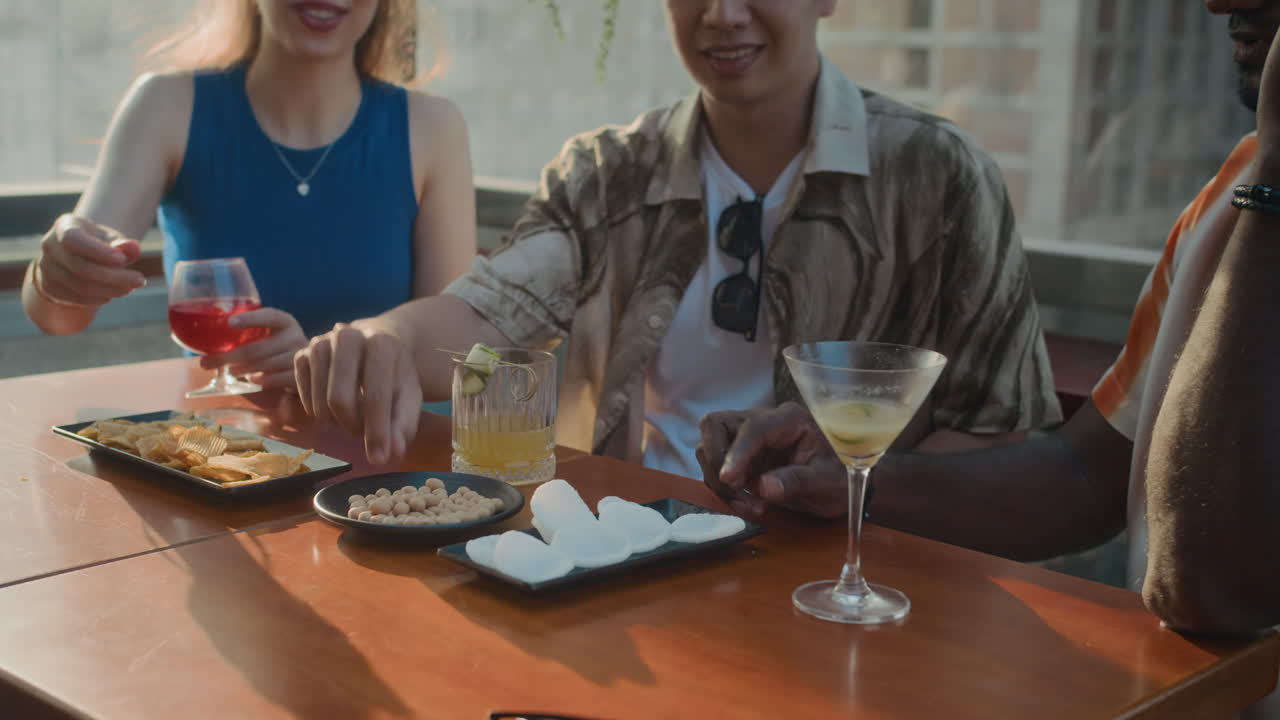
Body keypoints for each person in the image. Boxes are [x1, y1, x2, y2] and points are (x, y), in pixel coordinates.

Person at [697, 0, 1280, 649]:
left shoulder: (1259, 199)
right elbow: (1082, 478)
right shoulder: (1229, 204)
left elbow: (1215, 588)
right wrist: (855, 479)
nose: (1219, 2)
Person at [294, 0, 1062, 470]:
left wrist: (865, 494)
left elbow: (1006, 439)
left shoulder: (936, 177)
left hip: (838, 582)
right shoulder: (608, 173)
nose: (722, 13)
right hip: (629, 554)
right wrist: (385, 339)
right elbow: (488, 313)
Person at [21, 0, 477, 389]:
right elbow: (61, 317)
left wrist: (318, 366)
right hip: (219, 457)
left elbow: (455, 355)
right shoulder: (165, 106)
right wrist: (56, 272)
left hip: (382, 474)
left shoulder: (433, 126)